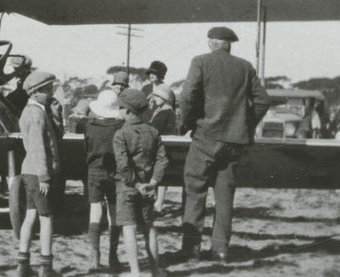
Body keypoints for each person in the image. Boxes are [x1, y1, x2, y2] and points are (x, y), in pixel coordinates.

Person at [179, 26, 270, 263]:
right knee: (225, 197)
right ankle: (220, 251)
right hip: (234, 141)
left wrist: (188, 123)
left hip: (205, 137)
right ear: (229, 44)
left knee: (195, 191)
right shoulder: (245, 66)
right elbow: (263, 101)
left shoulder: (200, 61)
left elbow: (188, 95)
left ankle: (191, 250)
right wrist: (245, 126)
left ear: (211, 42)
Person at [113, 89, 168, 277]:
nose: (119, 111)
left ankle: (135, 272)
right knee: (149, 228)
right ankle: (155, 270)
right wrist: (152, 182)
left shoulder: (121, 134)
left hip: (127, 188)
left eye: (121, 108)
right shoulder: (153, 131)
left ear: (127, 111)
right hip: (148, 186)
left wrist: (136, 185)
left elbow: (123, 165)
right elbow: (162, 160)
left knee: (129, 228)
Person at [16, 71, 61, 276]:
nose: (52, 93)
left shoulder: (33, 111)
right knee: (47, 218)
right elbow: (38, 147)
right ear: (36, 92)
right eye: (48, 89)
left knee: (31, 215)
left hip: (28, 171)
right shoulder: (37, 114)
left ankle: (23, 262)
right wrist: (44, 176)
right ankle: (46, 266)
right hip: (37, 173)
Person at [84, 90, 124, 271]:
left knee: (95, 211)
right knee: (114, 214)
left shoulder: (89, 125)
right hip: (114, 173)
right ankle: (113, 256)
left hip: (94, 171)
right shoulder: (120, 127)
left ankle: (94, 255)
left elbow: (87, 148)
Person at [148, 84, 177, 212]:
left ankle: (158, 204)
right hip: (160, 146)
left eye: (158, 96)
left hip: (163, 147)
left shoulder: (167, 112)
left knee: (161, 176)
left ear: (164, 98)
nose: (155, 99)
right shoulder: (160, 111)